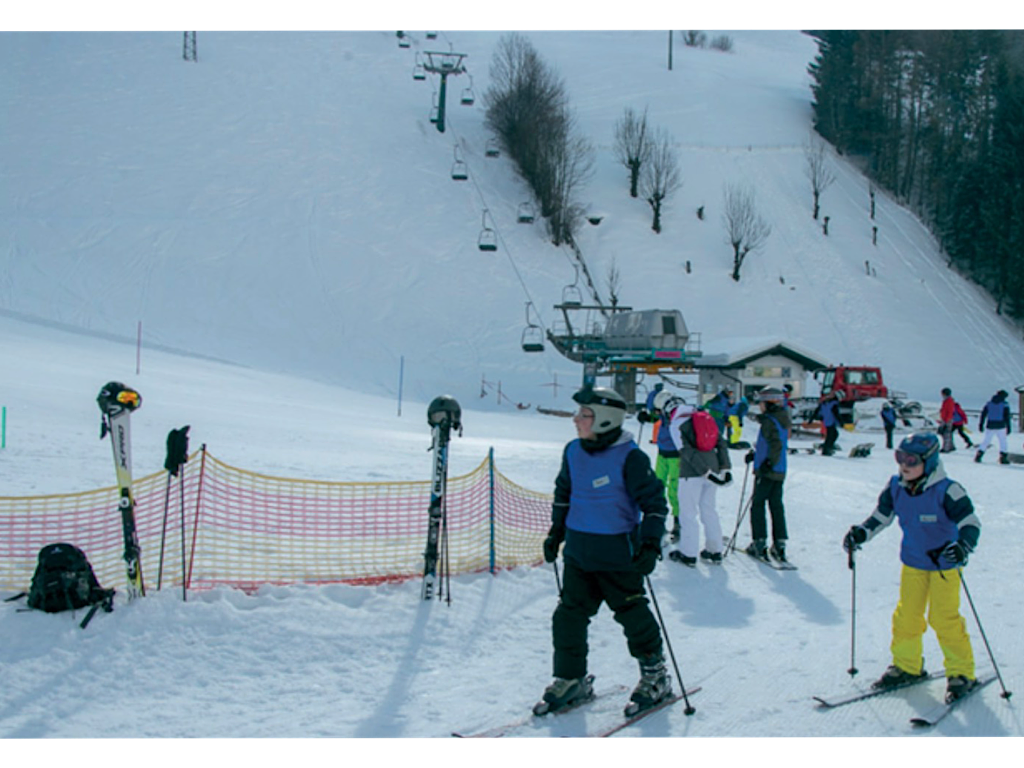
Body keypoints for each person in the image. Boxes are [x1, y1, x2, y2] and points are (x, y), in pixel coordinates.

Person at [540, 386, 671, 716]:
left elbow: (655, 504)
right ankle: (572, 679)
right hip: (579, 552)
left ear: (604, 419)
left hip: (618, 553)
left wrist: (651, 543)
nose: (576, 420)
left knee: (632, 615)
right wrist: (556, 532)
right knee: (568, 616)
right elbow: (563, 493)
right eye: (579, 414)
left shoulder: (630, 457)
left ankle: (656, 675)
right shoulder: (573, 451)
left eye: (584, 415)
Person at [843, 432, 981, 703]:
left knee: (944, 619)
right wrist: (861, 533)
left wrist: (963, 546)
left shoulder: (948, 490)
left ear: (928, 462)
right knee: (907, 616)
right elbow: (882, 516)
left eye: (912, 460)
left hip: (944, 566)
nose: (904, 465)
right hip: (914, 563)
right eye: (900, 457)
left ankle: (962, 672)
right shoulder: (897, 486)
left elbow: (971, 523)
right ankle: (907, 666)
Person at [667, 398, 733, 566]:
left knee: (688, 513)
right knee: (709, 510)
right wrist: (725, 467)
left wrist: (704, 472)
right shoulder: (703, 417)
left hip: (692, 473)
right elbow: (721, 443)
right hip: (714, 469)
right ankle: (715, 550)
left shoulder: (676, 425)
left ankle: (688, 554)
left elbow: (687, 452)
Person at [745, 387, 791, 563]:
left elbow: (775, 445)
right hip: (779, 470)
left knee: (757, 505)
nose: (760, 407)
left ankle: (759, 542)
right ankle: (779, 544)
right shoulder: (780, 418)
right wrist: (756, 455)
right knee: (776, 505)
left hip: (769, 471)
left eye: (761, 403)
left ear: (769, 403)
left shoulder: (770, 421)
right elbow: (771, 443)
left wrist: (767, 463)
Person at [975, 390, 1012, 465]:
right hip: (1001, 425)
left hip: (990, 425)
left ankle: (979, 455)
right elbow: (1007, 417)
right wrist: (1008, 427)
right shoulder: (1005, 404)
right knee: (1003, 441)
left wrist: (981, 424)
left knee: (986, 441)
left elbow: (983, 415)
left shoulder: (989, 404)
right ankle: (1003, 457)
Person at [819, 390, 841, 456]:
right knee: (833, 435)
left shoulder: (825, 403)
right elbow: (836, 414)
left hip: (826, 421)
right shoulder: (834, 404)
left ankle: (827, 448)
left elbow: (819, 411)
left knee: (831, 435)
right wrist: (841, 422)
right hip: (831, 421)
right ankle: (827, 449)